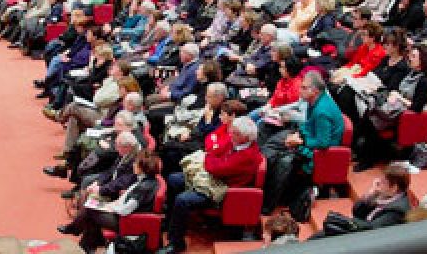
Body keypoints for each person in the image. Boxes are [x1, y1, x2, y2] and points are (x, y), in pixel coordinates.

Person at [160, 117, 263, 254]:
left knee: (182, 200)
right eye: (232, 131)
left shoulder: (248, 156)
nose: (230, 134)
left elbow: (216, 168)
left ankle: (176, 242)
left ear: (246, 137)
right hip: (213, 179)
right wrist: (212, 157)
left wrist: (210, 158)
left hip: (223, 191)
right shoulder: (235, 142)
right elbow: (212, 148)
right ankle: (170, 223)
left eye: (235, 133)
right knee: (173, 179)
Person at [261, 71, 344, 220]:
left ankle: (267, 205)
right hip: (307, 138)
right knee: (273, 141)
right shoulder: (313, 102)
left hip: (320, 154)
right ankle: (262, 177)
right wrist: (299, 135)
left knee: (284, 162)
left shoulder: (321, 111)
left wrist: (299, 141)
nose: (300, 90)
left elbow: (323, 143)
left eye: (304, 87)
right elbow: (309, 127)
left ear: (315, 91)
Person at [59, 151, 161, 253]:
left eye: (136, 163)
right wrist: (109, 205)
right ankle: (86, 245)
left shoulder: (143, 187)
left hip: (126, 221)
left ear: (142, 168)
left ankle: (77, 232)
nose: (133, 164)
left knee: (89, 211)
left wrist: (109, 207)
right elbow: (125, 202)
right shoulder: (146, 180)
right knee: (90, 212)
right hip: (125, 216)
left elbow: (125, 210)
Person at [310, 165, 411, 237]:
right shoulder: (385, 195)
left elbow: (372, 231)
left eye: (384, 181)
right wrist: (371, 193)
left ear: (394, 188)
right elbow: (357, 211)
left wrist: (348, 223)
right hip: (359, 227)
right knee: (319, 235)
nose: (379, 182)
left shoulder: (397, 211)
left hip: (364, 237)